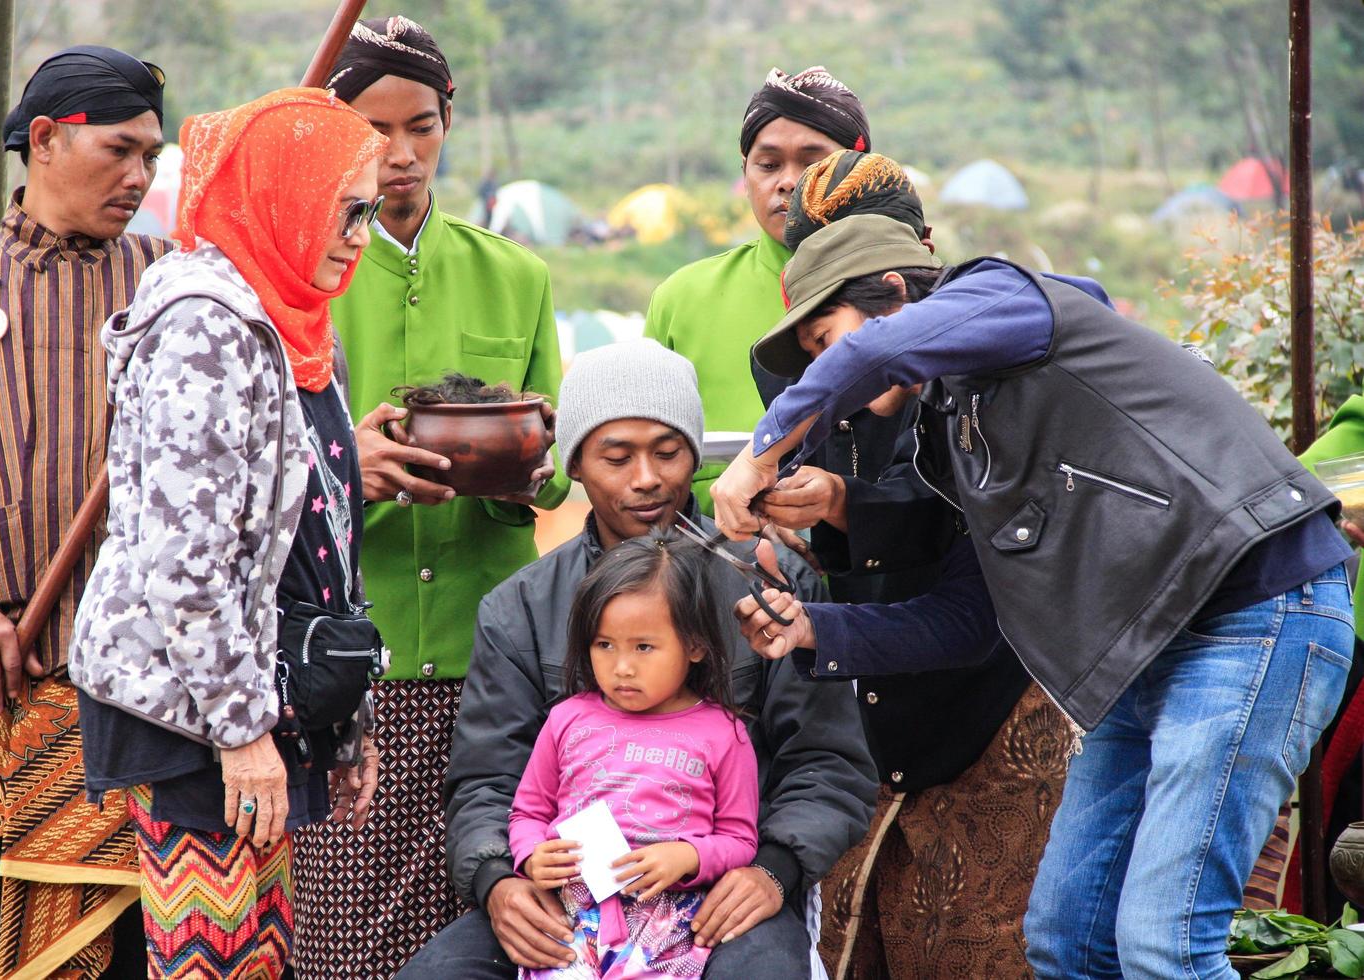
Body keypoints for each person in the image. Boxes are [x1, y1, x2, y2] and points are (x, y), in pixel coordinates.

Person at [715, 149, 1356, 979]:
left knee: (1167, 948)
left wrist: (763, 449)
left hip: (1254, 612)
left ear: (898, 299)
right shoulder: (950, 442)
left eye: (824, 339)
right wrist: (811, 626)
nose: (818, 369)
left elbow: (874, 358)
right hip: (1142, 656)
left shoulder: (1004, 297)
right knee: (1066, 942)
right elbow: (966, 619)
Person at [398, 340, 878, 980]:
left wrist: (773, 869)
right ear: (576, 465)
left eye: (669, 451)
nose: (647, 477)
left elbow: (826, 760)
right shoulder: (519, 608)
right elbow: (487, 779)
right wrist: (497, 882)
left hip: (720, 891)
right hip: (564, 896)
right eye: (617, 457)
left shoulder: (771, 587)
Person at [68, 87, 387, 979]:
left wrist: (344, 722)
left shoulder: (297, 322)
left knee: (259, 957)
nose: (361, 231)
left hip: (256, 691)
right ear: (281, 193)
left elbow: (322, 533)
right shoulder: (206, 327)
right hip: (197, 709)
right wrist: (242, 733)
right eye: (345, 207)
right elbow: (186, 563)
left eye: (371, 210)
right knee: (211, 961)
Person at [734, 156, 1068, 978]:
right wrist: (808, 535)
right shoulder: (812, 392)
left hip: (990, 722)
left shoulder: (986, 373)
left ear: (911, 271)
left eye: (831, 341)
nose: (824, 369)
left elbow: (967, 593)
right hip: (870, 724)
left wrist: (843, 503)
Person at [291, 19, 568, 975]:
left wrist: (527, 475)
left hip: (489, 659)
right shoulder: (299, 279)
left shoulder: (516, 275)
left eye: (423, 126)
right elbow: (251, 472)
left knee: (499, 929)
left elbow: (555, 462)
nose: (401, 156)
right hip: (345, 666)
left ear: (449, 123)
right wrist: (341, 467)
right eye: (374, 131)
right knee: (346, 944)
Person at [0, 45, 167, 980]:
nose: (139, 177)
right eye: (121, 150)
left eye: (153, 160)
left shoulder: (178, 288)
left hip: (142, 708)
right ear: (45, 140)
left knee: (136, 956)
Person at [511, 535, 760, 979]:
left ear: (695, 646)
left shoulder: (724, 733)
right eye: (604, 645)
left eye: (643, 647)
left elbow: (740, 839)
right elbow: (528, 811)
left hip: (669, 931)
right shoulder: (567, 719)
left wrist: (687, 858)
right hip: (568, 924)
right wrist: (532, 856)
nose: (621, 667)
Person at [644, 66, 871, 513]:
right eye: (768, 164)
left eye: (812, 163)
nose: (787, 181)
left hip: (887, 573)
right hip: (718, 567)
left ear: (863, 172)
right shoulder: (683, 298)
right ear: (745, 174)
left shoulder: (909, 297)